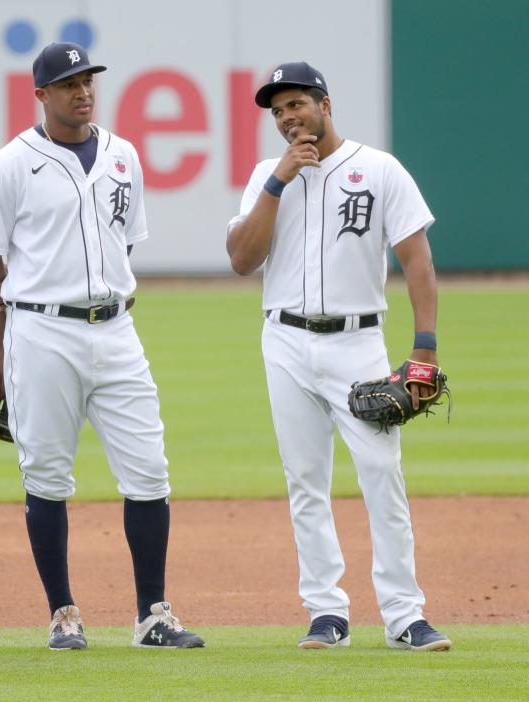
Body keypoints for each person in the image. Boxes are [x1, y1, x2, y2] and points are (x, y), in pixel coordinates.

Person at [0, 42, 205, 651]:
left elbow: (124, 243)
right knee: (46, 473)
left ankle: (153, 614)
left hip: (116, 328)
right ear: (41, 94)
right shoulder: (10, 164)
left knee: (149, 469)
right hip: (41, 330)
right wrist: (1, 346)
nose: (83, 90)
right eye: (68, 82)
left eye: (88, 79)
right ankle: (63, 613)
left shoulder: (123, 155)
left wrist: (107, 293)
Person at [226, 62, 451, 652]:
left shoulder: (378, 169)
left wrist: (422, 348)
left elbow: (417, 260)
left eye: (296, 104)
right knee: (305, 480)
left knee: (381, 474)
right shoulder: (263, 177)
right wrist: (276, 181)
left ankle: (405, 615)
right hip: (285, 341)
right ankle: (326, 613)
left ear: (325, 104)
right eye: (277, 111)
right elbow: (242, 259)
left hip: (359, 342)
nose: (287, 118)